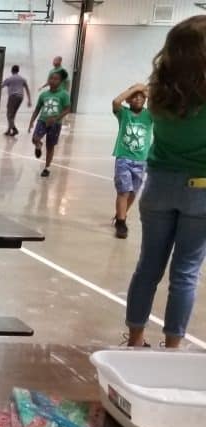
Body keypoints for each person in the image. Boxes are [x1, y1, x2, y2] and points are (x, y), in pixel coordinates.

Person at [125, 15, 206, 349]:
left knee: (148, 267)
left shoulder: (159, 92)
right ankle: (172, 346)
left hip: (158, 184)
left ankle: (135, 338)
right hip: (201, 190)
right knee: (185, 273)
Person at [111, 83, 153, 239]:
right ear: (128, 100)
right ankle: (121, 222)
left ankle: (120, 214)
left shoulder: (149, 115)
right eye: (135, 96)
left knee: (133, 192)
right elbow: (116, 102)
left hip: (141, 160)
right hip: (124, 158)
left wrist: (146, 91)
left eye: (141, 97)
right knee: (124, 191)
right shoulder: (124, 113)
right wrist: (134, 89)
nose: (138, 98)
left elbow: (158, 106)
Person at [28, 70, 71, 177]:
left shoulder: (64, 94)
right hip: (42, 120)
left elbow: (67, 109)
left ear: (60, 81)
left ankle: (47, 168)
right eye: (51, 78)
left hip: (55, 124)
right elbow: (37, 108)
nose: (52, 81)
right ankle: (38, 144)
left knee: (50, 146)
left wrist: (56, 118)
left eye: (55, 79)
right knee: (35, 138)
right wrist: (32, 121)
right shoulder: (44, 94)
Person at [0, 65, 31, 137]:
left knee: (9, 114)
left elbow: (0, 87)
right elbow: (27, 89)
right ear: (18, 71)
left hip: (13, 97)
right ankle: (9, 130)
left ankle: (14, 129)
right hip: (20, 97)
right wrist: (29, 100)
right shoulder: (22, 79)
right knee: (12, 115)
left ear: (12, 71)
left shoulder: (9, 79)